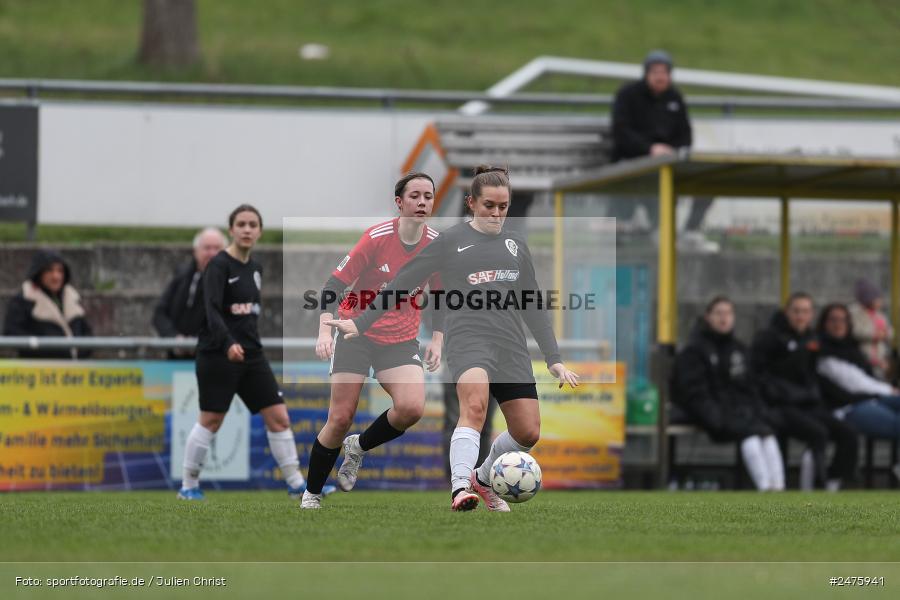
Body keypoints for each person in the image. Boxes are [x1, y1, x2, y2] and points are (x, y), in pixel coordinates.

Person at [327, 165, 579, 512]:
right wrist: (362, 322)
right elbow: (402, 283)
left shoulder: (516, 244)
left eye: (503, 207)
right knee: (473, 408)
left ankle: (484, 478)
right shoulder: (449, 242)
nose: (496, 213)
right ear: (471, 203)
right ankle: (460, 486)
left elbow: (531, 303)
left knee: (528, 432)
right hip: (468, 337)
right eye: (489, 205)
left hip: (510, 343)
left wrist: (554, 358)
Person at [301, 172, 444, 509]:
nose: (422, 202)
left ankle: (358, 448)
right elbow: (333, 288)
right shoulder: (376, 238)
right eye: (415, 196)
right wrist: (324, 331)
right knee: (339, 418)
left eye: (428, 196)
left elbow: (441, 296)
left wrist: (437, 340)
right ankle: (312, 493)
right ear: (400, 202)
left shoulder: (438, 246)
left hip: (400, 340)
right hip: (355, 332)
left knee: (411, 408)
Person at [178, 205, 327, 500]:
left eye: (253, 225)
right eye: (241, 224)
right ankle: (189, 486)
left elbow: (247, 314)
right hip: (217, 353)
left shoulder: (255, 268)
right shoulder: (218, 265)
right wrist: (227, 342)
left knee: (279, 417)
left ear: (259, 231)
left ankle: (297, 484)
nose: (247, 229)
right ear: (231, 229)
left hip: (252, 355)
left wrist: (245, 343)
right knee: (211, 420)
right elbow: (211, 311)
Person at [673, 296, 785, 491]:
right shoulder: (695, 351)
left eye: (728, 313)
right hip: (714, 417)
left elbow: (751, 387)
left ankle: (778, 488)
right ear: (708, 317)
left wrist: (757, 412)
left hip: (740, 415)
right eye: (718, 313)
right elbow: (694, 393)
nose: (724, 318)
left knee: (766, 434)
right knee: (751, 436)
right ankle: (766, 488)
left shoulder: (739, 350)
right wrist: (716, 418)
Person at [750, 292, 858, 490]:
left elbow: (817, 374)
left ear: (811, 315)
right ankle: (812, 489)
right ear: (787, 312)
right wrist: (780, 394)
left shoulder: (812, 339)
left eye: (805, 311)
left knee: (848, 433)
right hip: (781, 406)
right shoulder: (769, 339)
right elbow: (759, 376)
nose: (800, 316)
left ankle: (833, 483)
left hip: (808, 404)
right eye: (796, 311)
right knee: (818, 433)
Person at [610, 49, 715, 249]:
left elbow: (685, 134)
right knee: (651, 186)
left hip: (668, 162)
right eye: (656, 72)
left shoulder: (675, 98)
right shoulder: (628, 95)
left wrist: (671, 151)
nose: (660, 77)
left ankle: (689, 230)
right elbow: (621, 132)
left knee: (706, 185)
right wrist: (650, 149)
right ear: (646, 73)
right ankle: (655, 230)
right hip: (634, 161)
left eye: (664, 72)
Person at [816, 303, 900, 480]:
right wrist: (887, 391)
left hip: (870, 397)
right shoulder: (821, 351)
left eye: (843, 320)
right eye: (833, 320)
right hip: (847, 406)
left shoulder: (852, 350)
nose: (838, 324)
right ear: (824, 323)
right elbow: (853, 383)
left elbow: (865, 379)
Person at [3, 250, 93, 359]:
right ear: (39, 273)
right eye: (49, 270)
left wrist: (78, 353)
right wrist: (46, 349)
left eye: (60, 271)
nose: (56, 276)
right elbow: (12, 333)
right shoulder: (23, 301)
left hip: (75, 371)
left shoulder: (72, 299)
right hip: (39, 371)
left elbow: (87, 334)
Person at [152, 227, 227, 358]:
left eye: (217, 248)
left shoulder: (230, 281)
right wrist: (174, 338)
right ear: (196, 251)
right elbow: (160, 312)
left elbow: (229, 321)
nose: (212, 253)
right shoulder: (182, 275)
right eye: (207, 248)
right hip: (175, 358)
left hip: (212, 358)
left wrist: (198, 342)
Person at [848, 278, 894, 380]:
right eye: (877, 298)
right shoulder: (855, 312)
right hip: (863, 357)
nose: (881, 301)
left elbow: (889, 330)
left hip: (880, 358)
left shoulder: (879, 314)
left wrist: (886, 334)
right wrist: (874, 335)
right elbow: (855, 331)